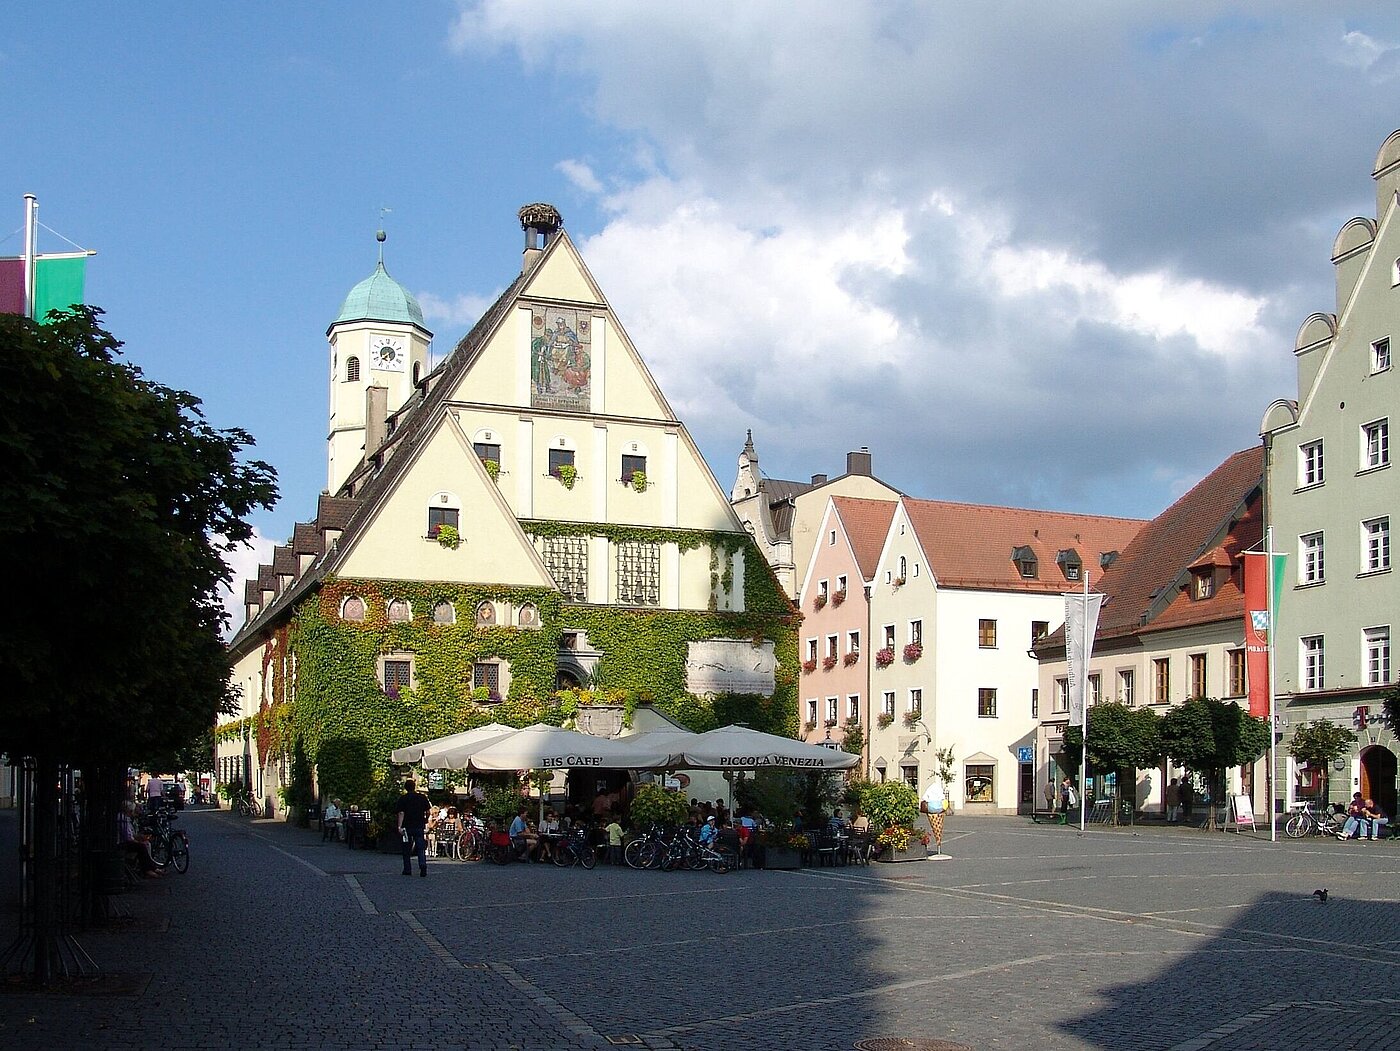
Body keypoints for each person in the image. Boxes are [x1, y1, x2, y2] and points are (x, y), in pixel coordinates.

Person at [395, 779, 431, 877]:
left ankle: (407, 869)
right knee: (420, 847)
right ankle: (422, 865)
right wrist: (425, 820)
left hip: (407, 826)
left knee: (406, 848)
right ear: (414, 787)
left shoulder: (403, 799)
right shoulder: (422, 797)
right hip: (419, 825)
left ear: (405, 788)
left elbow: (401, 813)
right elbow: (428, 811)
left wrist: (399, 826)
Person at [117, 803, 160, 877]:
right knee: (141, 847)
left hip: (124, 841)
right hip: (122, 843)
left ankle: (152, 867)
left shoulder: (125, 818)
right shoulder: (123, 819)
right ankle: (147, 869)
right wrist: (138, 841)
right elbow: (128, 837)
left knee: (144, 845)